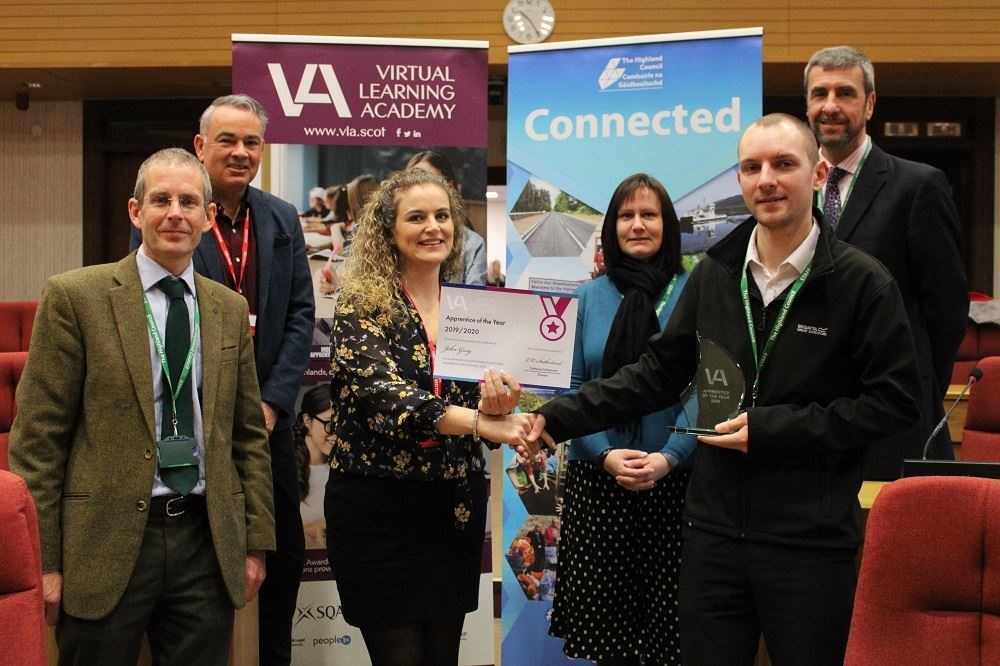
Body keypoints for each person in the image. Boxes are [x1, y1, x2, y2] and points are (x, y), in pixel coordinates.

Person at [529, 114, 921, 665]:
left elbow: (896, 402)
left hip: (808, 539)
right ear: (740, 180)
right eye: (752, 167)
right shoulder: (717, 273)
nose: (767, 179)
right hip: (711, 536)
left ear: (817, 174)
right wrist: (554, 418)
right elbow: (657, 373)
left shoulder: (862, 282)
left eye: (784, 164)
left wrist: (772, 429)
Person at [9, 148, 275, 665]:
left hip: (205, 538)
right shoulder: (76, 298)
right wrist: (42, 562)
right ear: (136, 212)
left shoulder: (228, 308)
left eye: (188, 201)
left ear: (207, 216)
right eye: (160, 200)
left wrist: (254, 542)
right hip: (103, 544)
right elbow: (38, 440)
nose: (175, 212)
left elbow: (246, 436)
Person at [325, 168, 537, 665]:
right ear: (389, 230)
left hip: (453, 510)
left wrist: (496, 406)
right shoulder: (362, 305)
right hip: (378, 511)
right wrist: (483, 423)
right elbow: (387, 402)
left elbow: (476, 404)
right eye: (416, 217)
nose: (433, 227)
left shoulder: (467, 306)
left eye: (442, 216)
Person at [130, 93, 314, 666]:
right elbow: (154, 321)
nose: (240, 153)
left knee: (279, 555)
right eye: (227, 141)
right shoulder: (172, 218)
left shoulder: (282, 218)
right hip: (195, 418)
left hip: (269, 425)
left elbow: (301, 314)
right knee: (200, 554)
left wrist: (274, 403)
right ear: (200, 146)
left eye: (252, 142)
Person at [548, 173, 696, 665]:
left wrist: (670, 457)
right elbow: (571, 390)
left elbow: (713, 389)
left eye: (648, 214)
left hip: (675, 485)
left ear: (667, 224)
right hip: (599, 485)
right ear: (610, 228)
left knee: (672, 639)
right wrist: (606, 454)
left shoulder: (693, 290)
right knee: (608, 643)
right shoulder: (588, 298)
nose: (637, 225)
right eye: (626, 216)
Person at [804, 46, 968, 477]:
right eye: (820, 93)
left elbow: (946, 308)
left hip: (894, 413)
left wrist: (919, 388)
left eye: (845, 93)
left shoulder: (918, 186)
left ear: (870, 103)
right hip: (810, 416)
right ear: (807, 105)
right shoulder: (792, 190)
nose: (831, 106)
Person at [406, 149, 487, 285]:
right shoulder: (395, 237)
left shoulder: (472, 244)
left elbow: (473, 301)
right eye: (411, 182)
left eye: (428, 180)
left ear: (449, 187)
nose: (432, 228)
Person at [294, 384, 334, 549]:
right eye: (329, 424)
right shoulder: (286, 469)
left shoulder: (344, 470)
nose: (335, 434)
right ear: (307, 421)